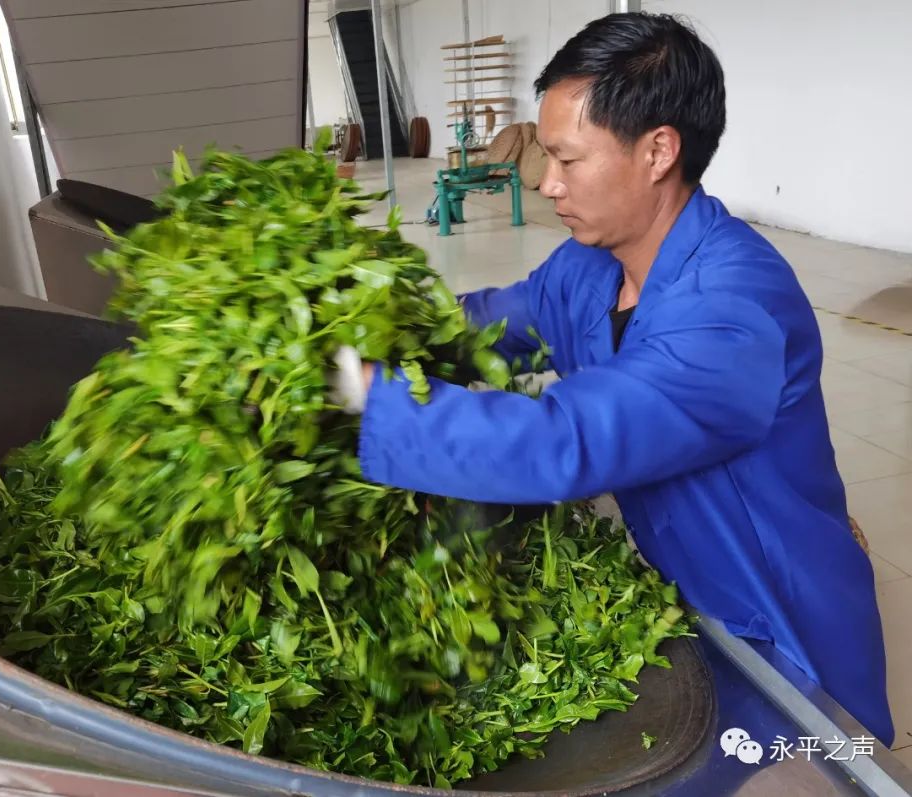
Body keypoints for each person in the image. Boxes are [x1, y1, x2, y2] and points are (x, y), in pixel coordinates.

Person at [330, 12, 895, 746]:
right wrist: (370, 323)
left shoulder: (732, 310)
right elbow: (491, 324)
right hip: (682, 584)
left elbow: (567, 440)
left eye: (568, 159)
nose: (548, 183)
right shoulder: (591, 262)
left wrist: (369, 397)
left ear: (658, 150)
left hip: (773, 625)